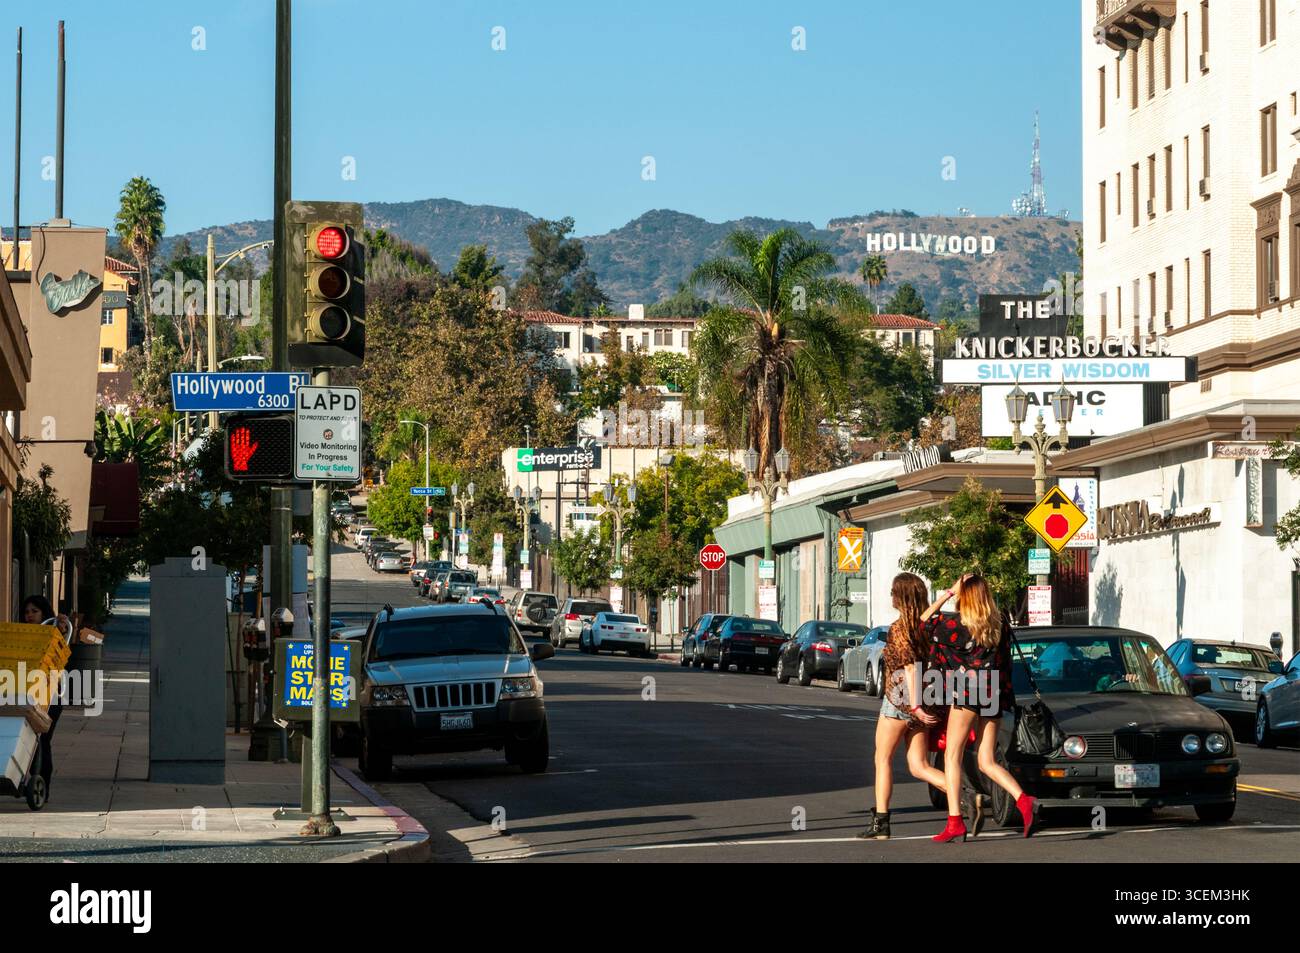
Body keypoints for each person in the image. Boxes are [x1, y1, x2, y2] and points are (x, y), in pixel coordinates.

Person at [922, 574, 1038, 843]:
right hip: (993, 693)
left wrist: (949, 593)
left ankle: (955, 822)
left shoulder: (956, 624)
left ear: (965, 595)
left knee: (952, 756)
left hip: (966, 692)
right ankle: (1023, 799)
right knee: (986, 760)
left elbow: (924, 622)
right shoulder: (999, 624)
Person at [858, 573, 945, 840]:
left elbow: (909, 667)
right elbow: (927, 615)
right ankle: (965, 795)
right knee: (918, 766)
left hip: (900, 701)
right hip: (924, 701)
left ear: (901, 596)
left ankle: (881, 823)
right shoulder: (924, 627)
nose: (890, 596)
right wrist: (948, 594)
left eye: (894, 592)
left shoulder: (899, 628)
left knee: (882, 758)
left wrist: (914, 706)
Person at [21, 595, 73, 793]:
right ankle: (30, 781)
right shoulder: (24, 635)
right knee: (29, 739)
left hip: (51, 696)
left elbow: (63, 637)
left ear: (43, 612)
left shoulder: (52, 631)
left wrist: (62, 626)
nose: (30, 616)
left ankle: (42, 784)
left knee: (42, 739)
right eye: (27, 612)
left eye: (34, 611)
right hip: (29, 693)